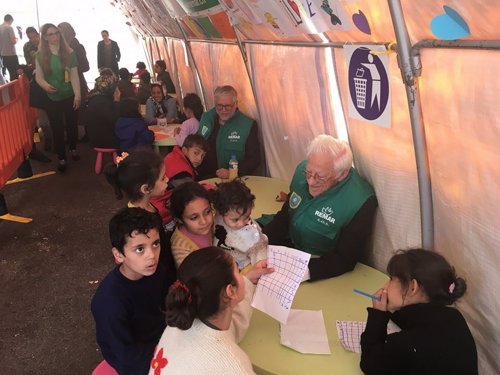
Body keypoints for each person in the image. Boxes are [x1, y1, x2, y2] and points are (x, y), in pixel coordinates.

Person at [263, 134, 377, 281]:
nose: (310, 182)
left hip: (320, 265)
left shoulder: (361, 201)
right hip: (287, 248)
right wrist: (263, 240)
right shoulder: (302, 171)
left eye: (320, 177)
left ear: (342, 174)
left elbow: (345, 258)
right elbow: (287, 214)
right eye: (308, 173)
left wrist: (303, 271)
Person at [149, 246, 273, 375]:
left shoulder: (179, 322)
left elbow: (229, 325)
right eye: (238, 270)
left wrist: (247, 280)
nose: (241, 275)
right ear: (230, 291)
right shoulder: (233, 366)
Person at [360, 249, 478, 375]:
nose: (385, 285)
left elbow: (369, 363)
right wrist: (390, 307)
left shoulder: (406, 345)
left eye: (391, 279)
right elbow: (411, 319)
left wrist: (377, 315)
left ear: (412, 287)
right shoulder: (454, 316)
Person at [91, 207, 176, 375]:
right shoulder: (109, 302)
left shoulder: (156, 270)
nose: (152, 255)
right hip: (135, 359)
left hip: (162, 338)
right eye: (139, 249)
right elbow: (126, 358)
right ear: (119, 254)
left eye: (155, 244)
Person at [104, 149, 177, 272]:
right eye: (163, 178)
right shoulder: (136, 224)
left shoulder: (147, 207)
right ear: (146, 189)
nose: (167, 180)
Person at [35, 23, 81, 172]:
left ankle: (73, 148)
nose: (55, 36)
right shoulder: (40, 55)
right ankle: (61, 157)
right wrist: (45, 86)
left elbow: (74, 76)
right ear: (45, 37)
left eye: (56, 33)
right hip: (52, 97)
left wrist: (78, 95)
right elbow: (39, 77)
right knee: (57, 129)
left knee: (72, 124)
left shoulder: (70, 52)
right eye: (51, 34)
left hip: (69, 95)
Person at [197, 85, 261, 180]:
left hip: (233, 181)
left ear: (236, 104)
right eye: (219, 106)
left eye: (228, 106)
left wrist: (232, 172)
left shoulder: (247, 125)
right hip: (204, 178)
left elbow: (254, 159)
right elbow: (196, 143)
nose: (223, 110)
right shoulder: (207, 118)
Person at [150, 134, 208, 229]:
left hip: (154, 204)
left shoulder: (174, 155)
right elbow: (190, 195)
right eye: (196, 153)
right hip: (162, 214)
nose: (199, 159)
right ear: (185, 150)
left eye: (202, 156)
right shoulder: (182, 172)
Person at [213, 179, 268, 271]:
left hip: (244, 264)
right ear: (220, 212)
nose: (242, 223)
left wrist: (260, 264)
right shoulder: (218, 215)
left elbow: (259, 249)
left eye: (247, 217)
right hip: (223, 258)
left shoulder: (251, 231)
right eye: (235, 220)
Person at [169, 182, 214, 267]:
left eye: (207, 212)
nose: (204, 222)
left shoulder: (215, 217)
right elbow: (194, 278)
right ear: (179, 219)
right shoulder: (180, 247)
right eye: (194, 218)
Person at [84, 68, 120, 149]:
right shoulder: (101, 102)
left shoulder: (95, 97)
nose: (116, 88)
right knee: (131, 138)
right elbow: (115, 120)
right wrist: (117, 100)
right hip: (103, 140)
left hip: (97, 137)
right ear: (109, 87)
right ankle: (123, 160)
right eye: (114, 86)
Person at [58, 22, 90, 101]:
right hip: (65, 86)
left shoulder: (77, 46)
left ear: (67, 32)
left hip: (78, 85)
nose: (58, 35)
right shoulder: (60, 47)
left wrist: (71, 69)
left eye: (60, 32)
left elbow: (86, 66)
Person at [0, 14, 19, 81]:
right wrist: (17, 39)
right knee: (15, 74)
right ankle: (16, 90)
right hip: (11, 54)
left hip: (2, 56)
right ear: (10, 20)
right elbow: (13, 41)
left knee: (6, 74)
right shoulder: (9, 27)